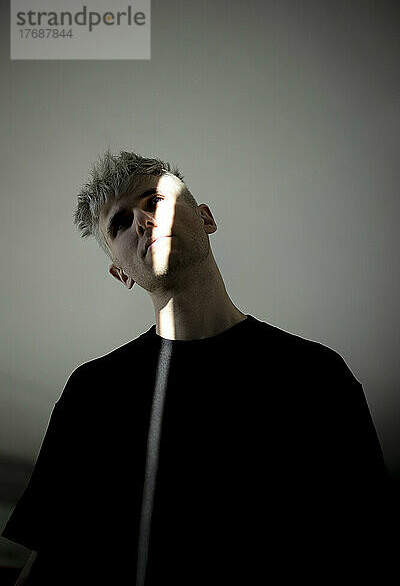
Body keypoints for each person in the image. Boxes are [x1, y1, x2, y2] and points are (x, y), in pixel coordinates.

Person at [2, 150, 396, 584]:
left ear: (206, 218)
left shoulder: (315, 374)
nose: (144, 221)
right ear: (120, 273)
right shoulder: (93, 391)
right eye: (120, 222)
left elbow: (369, 539)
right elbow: (52, 556)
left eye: (155, 201)